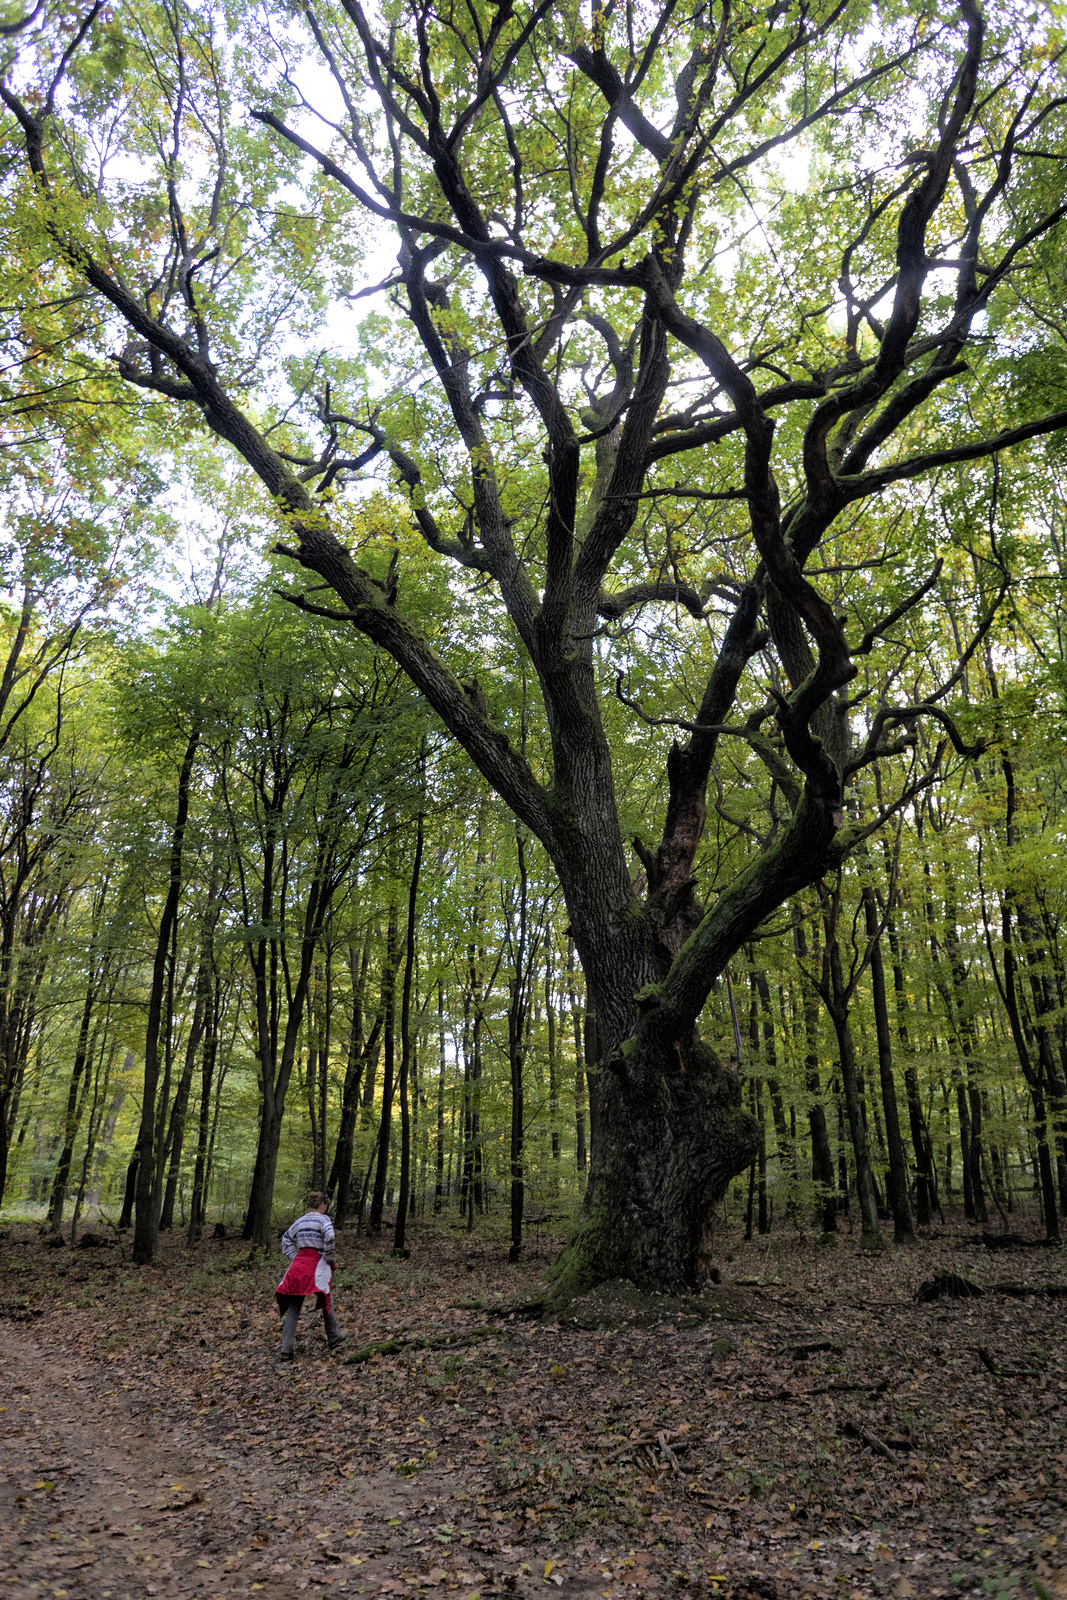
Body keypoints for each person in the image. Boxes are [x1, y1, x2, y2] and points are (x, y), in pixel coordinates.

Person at [276, 1190, 347, 1360]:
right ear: (323, 1204)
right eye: (326, 1206)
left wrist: (295, 1257)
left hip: (298, 1266)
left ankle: (286, 1348)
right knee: (326, 1298)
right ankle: (334, 1336)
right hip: (317, 1264)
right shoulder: (324, 1219)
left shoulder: (300, 1221)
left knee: (294, 1304)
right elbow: (329, 1236)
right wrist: (327, 1255)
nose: (326, 1209)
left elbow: (285, 1240)